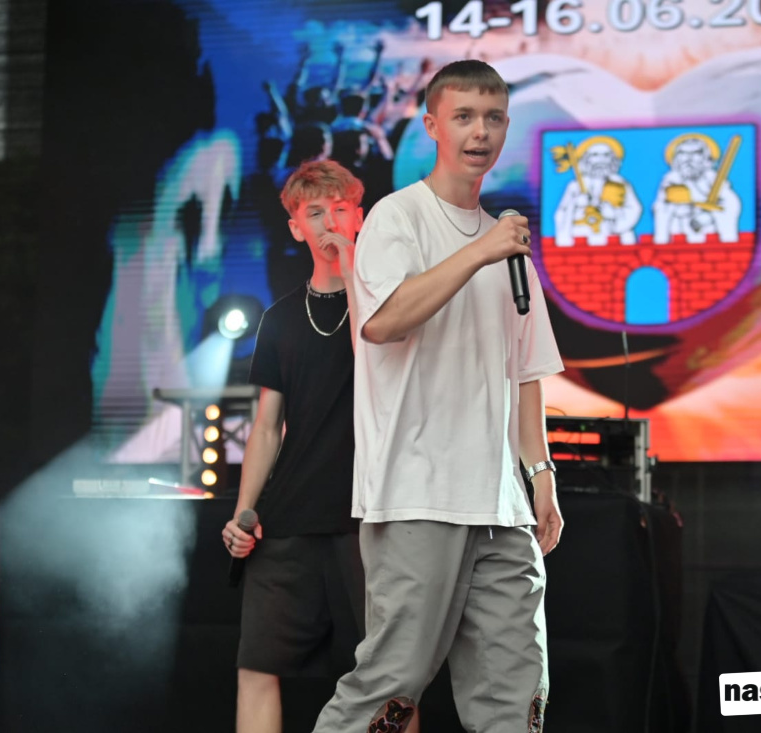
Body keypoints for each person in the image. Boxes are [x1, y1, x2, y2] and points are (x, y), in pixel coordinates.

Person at [312, 59, 565, 733]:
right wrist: (479, 252)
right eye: (464, 117)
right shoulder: (398, 218)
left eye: (493, 118)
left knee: (518, 692)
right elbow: (383, 322)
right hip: (416, 492)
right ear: (431, 125)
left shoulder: (509, 242)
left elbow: (526, 370)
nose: (480, 132)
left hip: (501, 504)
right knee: (389, 688)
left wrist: (540, 475)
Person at [222, 160, 418, 733]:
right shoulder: (280, 318)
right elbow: (266, 427)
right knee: (257, 665)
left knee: (391, 677)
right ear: (295, 227)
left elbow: (373, 357)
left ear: (360, 217)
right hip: (289, 515)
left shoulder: (392, 306)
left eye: (340, 209)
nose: (328, 222)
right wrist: (243, 512)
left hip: (370, 515)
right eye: (314, 212)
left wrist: (354, 268)